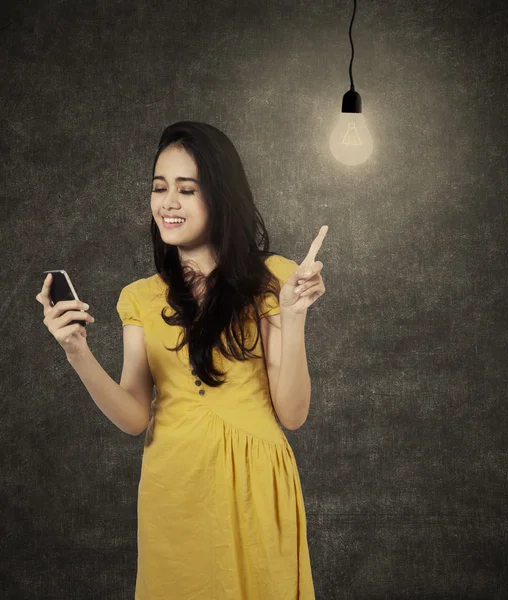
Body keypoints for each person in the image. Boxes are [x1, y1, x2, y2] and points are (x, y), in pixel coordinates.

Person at [36, 121, 328, 599]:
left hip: (255, 488)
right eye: (159, 187)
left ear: (220, 195)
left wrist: (293, 317)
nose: (168, 202)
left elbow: (293, 414)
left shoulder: (275, 278)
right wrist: (77, 352)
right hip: (172, 489)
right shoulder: (138, 298)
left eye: (187, 189)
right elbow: (134, 416)